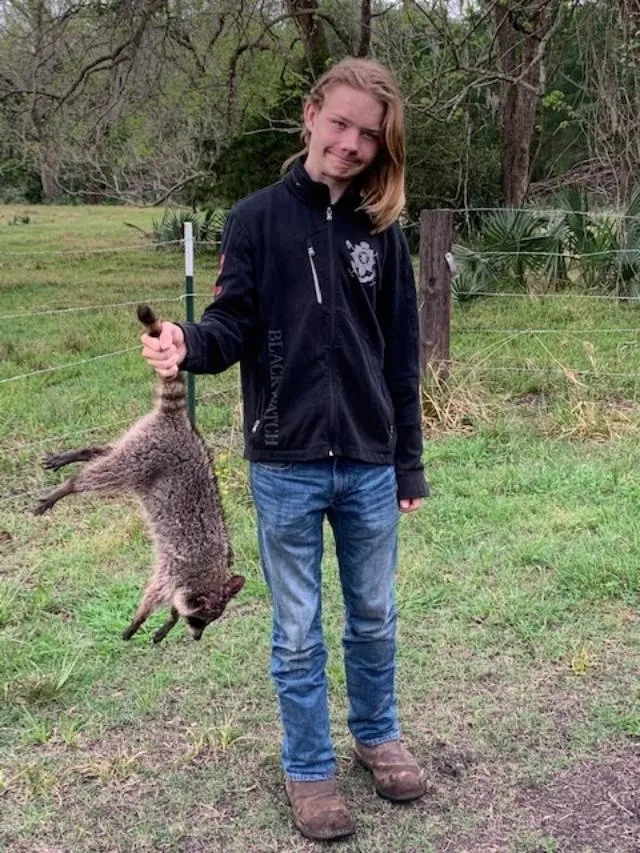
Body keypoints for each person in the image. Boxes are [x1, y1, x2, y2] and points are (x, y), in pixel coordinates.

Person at [141, 56, 429, 842]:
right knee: (296, 627)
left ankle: (377, 734)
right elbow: (230, 323)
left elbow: (401, 354)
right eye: (339, 123)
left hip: (369, 461)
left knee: (374, 612)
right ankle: (308, 769)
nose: (350, 143)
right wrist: (184, 343)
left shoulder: (382, 229)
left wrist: (408, 460)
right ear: (310, 114)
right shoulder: (256, 219)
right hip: (285, 464)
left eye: (369, 134)